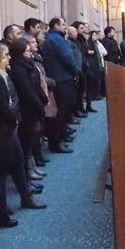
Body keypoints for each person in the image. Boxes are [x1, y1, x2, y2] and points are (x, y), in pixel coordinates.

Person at [0, 44, 46, 211]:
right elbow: (3, 105)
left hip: (10, 124)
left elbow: (14, 98)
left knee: (17, 160)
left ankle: (24, 195)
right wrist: (14, 118)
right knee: (7, 165)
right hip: (4, 127)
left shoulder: (5, 74)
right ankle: (3, 206)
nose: (9, 58)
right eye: (5, 56)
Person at [8, 38, 50, 187]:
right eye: (27, 50)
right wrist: (39, 105)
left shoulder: (29, 64)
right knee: (25, 142)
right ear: (20, 52)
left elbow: (36, 85)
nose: (30, 52)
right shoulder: (18, 68)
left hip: (33, 108)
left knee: (31, 141)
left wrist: (43, 99)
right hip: (26, 110)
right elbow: (26, 91)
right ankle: (27, 176)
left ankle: (31, 170)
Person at [43, 17, 80, 153]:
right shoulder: (56, 39)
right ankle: (56, 142)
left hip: (59, 77)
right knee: (61, 110)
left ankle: (62, 136)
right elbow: (67, 58)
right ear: (56, 26)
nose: (65, 26)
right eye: (63, 24)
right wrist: (76, 72)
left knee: (63, 109)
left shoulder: (53, 38)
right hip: (61, 78)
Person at [84, 30, 101, 112]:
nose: (95, 36)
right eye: (94, 35)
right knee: (89, 85)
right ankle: (91, 98)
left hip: (95, 64)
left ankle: (91, 101)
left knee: (94, 82)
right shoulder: (88, 43)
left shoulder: (95, 44)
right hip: (90, 66)